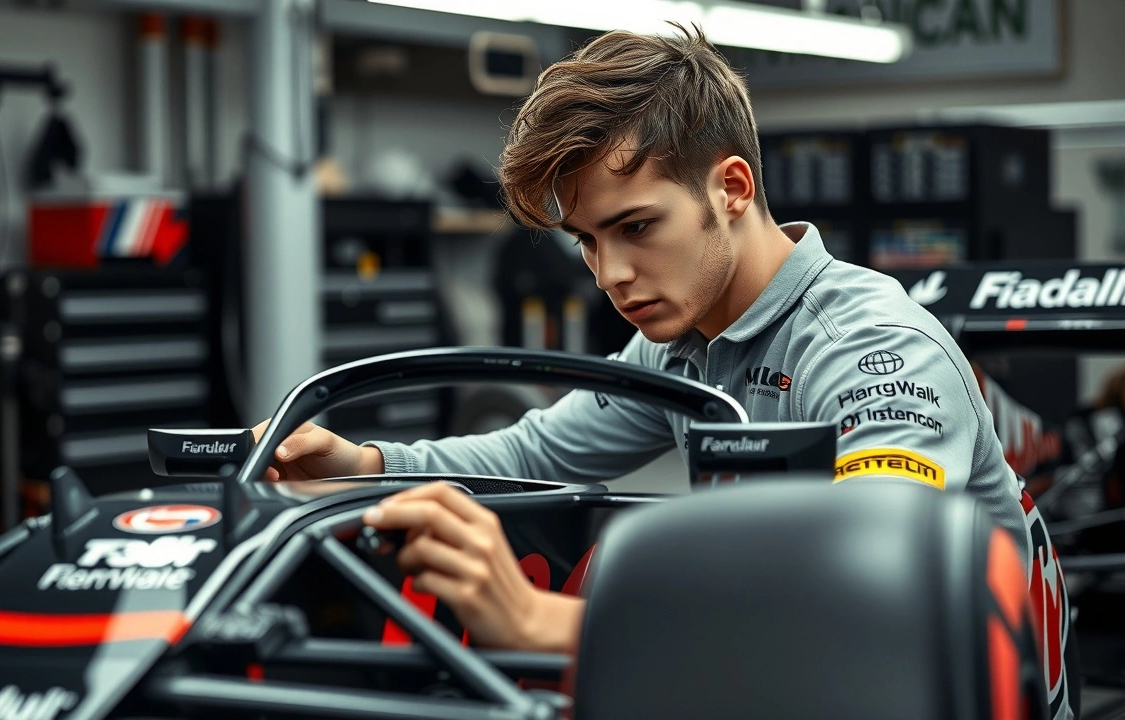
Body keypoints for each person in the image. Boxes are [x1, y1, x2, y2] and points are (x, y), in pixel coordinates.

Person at [254, 23, 1072, 717]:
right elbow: (535, 455)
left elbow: (865, 600)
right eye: (587, 241)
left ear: (732, 189)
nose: (609, 274)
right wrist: (362, 467)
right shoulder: (684, 343)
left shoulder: (871, 351)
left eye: (637, 226)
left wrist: (547, 624)